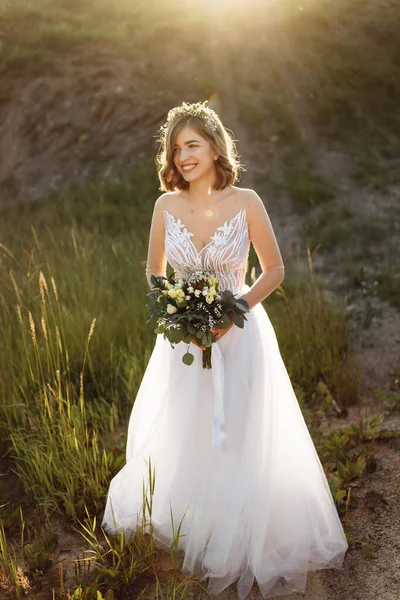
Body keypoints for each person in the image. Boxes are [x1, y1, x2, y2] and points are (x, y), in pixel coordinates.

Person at [101, 101, 348, 599]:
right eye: (176, 148)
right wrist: (178, 312)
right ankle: (200, 521)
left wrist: (232, 311)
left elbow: (274, 271)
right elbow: (155, 272)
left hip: (241, 335)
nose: (184, 155)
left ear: (215, 146)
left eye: (192, 145)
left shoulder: (248, 200)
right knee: (188, 427)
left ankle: (244, 528)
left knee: (239, 428)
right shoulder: (164, 206)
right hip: (183, 341)